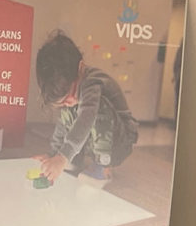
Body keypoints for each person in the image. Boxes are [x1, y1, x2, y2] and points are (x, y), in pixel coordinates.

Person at [34, 30, 138, 183]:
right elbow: (63, 123)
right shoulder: (71, 98)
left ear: (81, 68)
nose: (66, 103)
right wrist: (54, 154)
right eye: (61, 102)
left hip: (121, 140)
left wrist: (62, 157)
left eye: (69, 95)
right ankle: (74, 160)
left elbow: (86, 119)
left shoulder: (91, 82)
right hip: (99, 137)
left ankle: (103, 166)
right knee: (70, 110)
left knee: (92, 109)